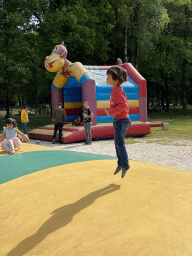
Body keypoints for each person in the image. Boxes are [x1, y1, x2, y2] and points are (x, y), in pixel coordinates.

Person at [105, 66, 131, 178]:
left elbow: (124, 105)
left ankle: (125, 165)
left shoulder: (116, 91)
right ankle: (120, 164)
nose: (107, 79)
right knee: (117, 144)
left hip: (121, 120)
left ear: (115, 79)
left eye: (109, 77)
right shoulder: (116, 90)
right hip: (119, 120)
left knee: (119, 143)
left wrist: (110, 111)